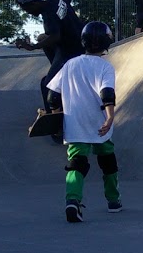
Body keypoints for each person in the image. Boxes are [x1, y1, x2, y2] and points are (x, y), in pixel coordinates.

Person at [46, 20, 122, 222]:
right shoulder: (106, 67)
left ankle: (72, 201)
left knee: (76, 163)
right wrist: (110, 116)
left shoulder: (70, 64)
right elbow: (107, 93)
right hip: (99, 125)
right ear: (107, 42)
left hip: (75, 124)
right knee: (108, 161)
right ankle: (113, 200)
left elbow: (52, 95)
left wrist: (55, 115)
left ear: (83, 41)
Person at [17, 0, 85, 127]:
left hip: (69, 50)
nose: (29, 13)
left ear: (34, 3)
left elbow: (55, 36)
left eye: (27, 9)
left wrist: (32, 47)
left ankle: (53, 120)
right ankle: (58, 71)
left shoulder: (48, 15)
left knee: (47, 84)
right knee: (42, 37)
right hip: (82, 42)